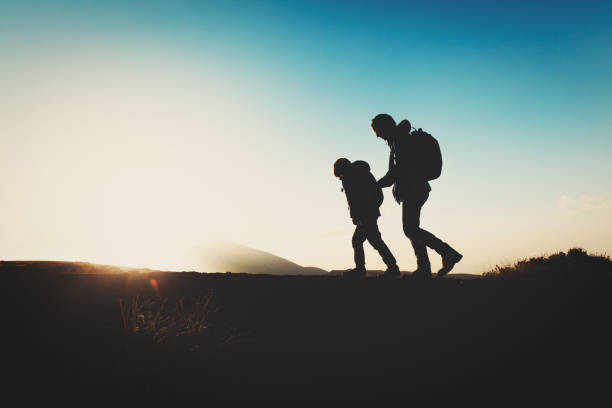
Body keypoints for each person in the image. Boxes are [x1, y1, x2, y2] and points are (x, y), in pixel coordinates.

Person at [371, 113, 462, 279]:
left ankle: (447, 253)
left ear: (385, 126)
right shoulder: (398, 139)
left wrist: (378, 184)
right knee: (412, 229)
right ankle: (424, 269)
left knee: (410, 229)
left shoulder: (399, 140)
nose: (378, 136)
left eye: (378, 131)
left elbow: (398, 170)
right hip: (416, 187)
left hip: (413, 188)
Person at [333, 158, 400, 278]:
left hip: (365, 214)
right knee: (371, 240)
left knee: (365, 241)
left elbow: (353, 199)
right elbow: (376, 194)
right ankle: (390, 267)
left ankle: (388, 268)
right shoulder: (361, 173)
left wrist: (356, 216)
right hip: (370, 212)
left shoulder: (350, 177)